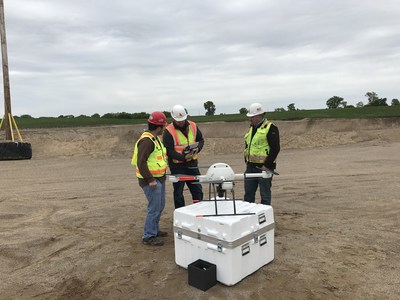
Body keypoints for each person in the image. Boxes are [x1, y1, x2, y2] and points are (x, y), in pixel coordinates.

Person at [131, 111, 168, 246]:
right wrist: (151, 179)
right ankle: (148, 235)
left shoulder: (154, 138)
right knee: (154, 208)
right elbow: (141, 163)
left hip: (159, 178)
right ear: (158, 127)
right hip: (151, 181)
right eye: (163, 126)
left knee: (160, 205)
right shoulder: (147, 141)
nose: (165, 128)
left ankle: (155, 230)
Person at [163, 104, 204, 208]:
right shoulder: (168, 131)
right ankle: (180, 212)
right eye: (178, 120)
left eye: (183, 119)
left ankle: (198, 210)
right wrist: (183, 158)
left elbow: (201, 140)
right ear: (173, 118)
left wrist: (197, 149)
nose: (181, 122)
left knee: (197, 189)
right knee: (178, 192)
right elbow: (168, 150)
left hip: (192, 164)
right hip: (177, 166)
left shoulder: (193, 126)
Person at [243, 103, 280, 206]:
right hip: (250, 166)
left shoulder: (270, 128)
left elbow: (275, 148)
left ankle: (264, 216)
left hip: (264, 167)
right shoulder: (251, 128)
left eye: (252, 117)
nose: (250, 119)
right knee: (248, 195)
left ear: (260, 115)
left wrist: (266, 165)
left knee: (265, 195)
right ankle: (249, 215)